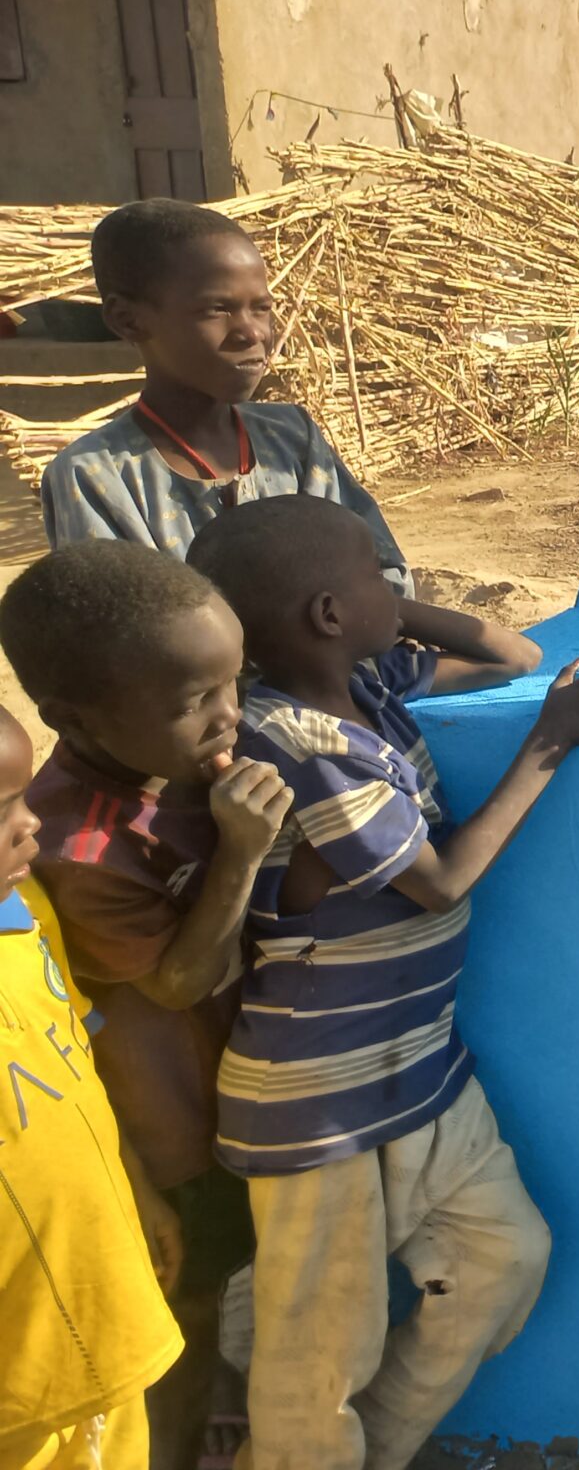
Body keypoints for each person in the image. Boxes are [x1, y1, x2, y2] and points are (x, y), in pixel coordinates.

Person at [184, 497, 579, 1470]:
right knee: (320, 1359)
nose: (397, 579)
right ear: (322, 613)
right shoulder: (296, 744)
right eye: (374, 569)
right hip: (316, 1101)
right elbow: (436, 884)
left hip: (418, 1073)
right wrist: (551, 743)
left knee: (501, 1261)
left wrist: (389, 608)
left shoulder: (372, 682)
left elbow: (513, 655)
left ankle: (377, 1448)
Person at [0, 544, 294, 1470]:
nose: (228, 717)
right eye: (190, 704)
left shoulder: (177, 774)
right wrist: (241, 854)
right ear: (72, 720)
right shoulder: (73, 851)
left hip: (235, 1106)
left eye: (231, 684)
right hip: (173, 1139)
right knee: (184, 1323)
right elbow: (175, 983)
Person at [0, 696, 186, 1470]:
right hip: (21, 1373)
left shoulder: (24, 911)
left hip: (104, 1307)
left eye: (16, 799)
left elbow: (74, 1070)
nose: (28, 825)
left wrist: (137, 1191)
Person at [40, 199, 408, 589]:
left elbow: (384, 576)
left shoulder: (293, 439)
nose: (252, 333)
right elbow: (127, 631)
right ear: (127, 320)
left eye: (261, 308)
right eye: (216, 310)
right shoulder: (96, 476)